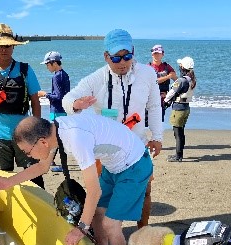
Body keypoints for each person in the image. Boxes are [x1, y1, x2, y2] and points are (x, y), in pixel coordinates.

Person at [0, 113, 153, 245]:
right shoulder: (55, 130)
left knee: (110, 224)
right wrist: (8, 182)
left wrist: (81, 228)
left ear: (42, 142)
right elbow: (43, 167)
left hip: (134, 164)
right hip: (113, 165)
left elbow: (94, 191)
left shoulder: (75, 138)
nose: (28, 155)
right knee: (97, 214)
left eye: (27, 152)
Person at [62, 29, 163, 230]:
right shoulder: (97, 78)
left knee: (145, 192)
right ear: (106, 56)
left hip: (138, 145)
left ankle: (142, 232)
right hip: (107, 151)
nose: (123, 62)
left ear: (133, 52)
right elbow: (67, 99)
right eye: (116, 58)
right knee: (102, 196)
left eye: (127, 56)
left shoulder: (147, 73)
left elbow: (154, 106)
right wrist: (76, 104)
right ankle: (105, 238)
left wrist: (157, 136)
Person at [0, 23, 44, 188]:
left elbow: (35, 101)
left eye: (8, 45)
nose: (4, 49)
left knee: (34, 178)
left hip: (25, 135)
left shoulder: (25, 70)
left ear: (13, 47)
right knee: (1, 180)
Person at [37, 51, 70, 172]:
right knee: (58, 138)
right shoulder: (64, 74)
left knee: (57, 139)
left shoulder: (57, 76)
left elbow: (58, 97)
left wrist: (44, 94)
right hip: (62, 110)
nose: (47, 67)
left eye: (47, 64)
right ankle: (53, 161)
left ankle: (60, 164)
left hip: (57, 111)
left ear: (54, 63)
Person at [164, 56, 197, 162]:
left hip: (178, 109)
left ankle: (178, 156)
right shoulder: (192, 79)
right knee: (181, 132)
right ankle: (179, 154)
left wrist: (165, 101)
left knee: (177, 133)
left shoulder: (182, 80)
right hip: (186, 108)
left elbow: (171, 93)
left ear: (183, 67)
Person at [148, 44, 177, 122]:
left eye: (158, 54)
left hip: (162, 101)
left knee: (159, 123)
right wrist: (168, 77)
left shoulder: (167, 67)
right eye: (155, 54)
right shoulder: (148, 67)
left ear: (162, 54)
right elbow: (154, 81)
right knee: (147, 123)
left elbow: (177, 81)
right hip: (150, 101)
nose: (156, 56)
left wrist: (171, 95)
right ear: (152, 55)